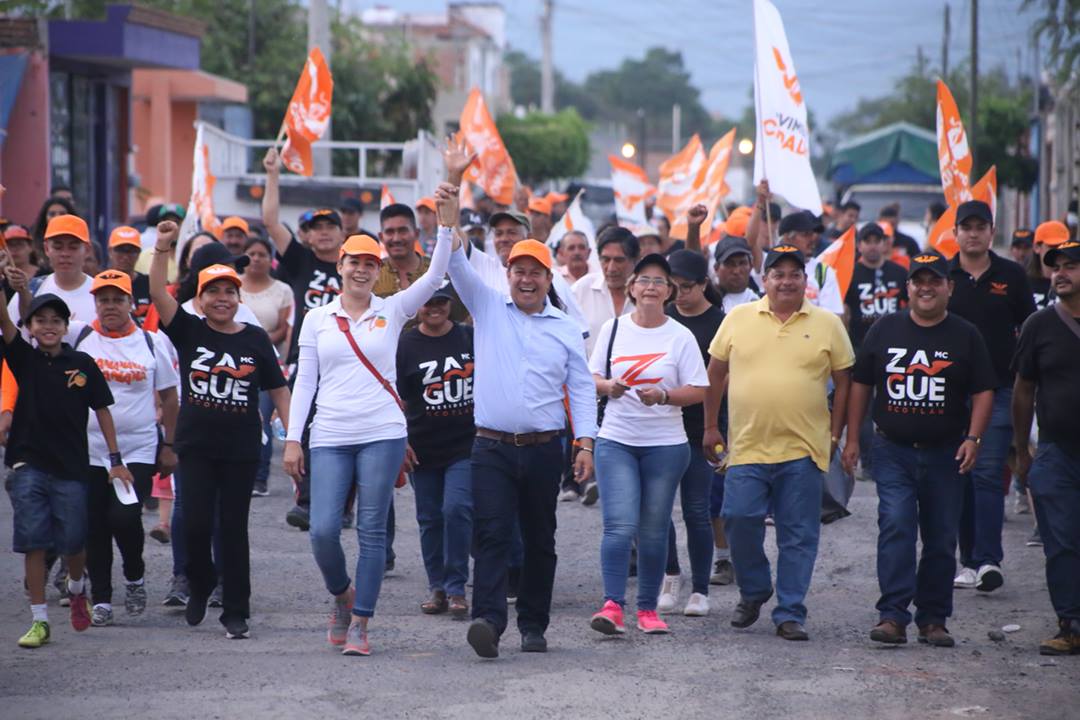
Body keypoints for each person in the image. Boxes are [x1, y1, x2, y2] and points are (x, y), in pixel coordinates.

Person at [284, 202, 451, 657]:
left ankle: (361, 622)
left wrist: (448, 223)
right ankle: (342, 596)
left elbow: (435, 277)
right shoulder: (318, 318)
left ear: (378, 270)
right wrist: (293, 438)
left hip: (383, 431)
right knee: (321, 530)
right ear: (340, 265)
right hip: (331, 434)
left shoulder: (393, 310)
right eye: (354, 261)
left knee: (372, 530)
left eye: (369, 263)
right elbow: (305, 382)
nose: (361, 269)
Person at [444, 189, 596, 659]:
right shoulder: (487, 307)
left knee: (539, 538)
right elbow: (451, 259)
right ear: (506, 274)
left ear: (549, 278)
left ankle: (534, 625)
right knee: (490, 534)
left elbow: (583, 388)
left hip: (545, 448)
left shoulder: (567, 328)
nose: (526, 279)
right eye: (518, 270)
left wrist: (585, 444)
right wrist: (450, 194)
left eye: (535, 272)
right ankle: (488, 621)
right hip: (490, 447)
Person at [702, 245, 854, 641]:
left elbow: (846, 383)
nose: (786, 281)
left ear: (805, 280)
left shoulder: (828, 324)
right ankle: (754, 590)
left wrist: (837, 435)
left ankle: (789, 612)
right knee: (738, 518)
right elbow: (715, 374)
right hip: (747, 446)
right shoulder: (738, 318)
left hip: (804, 450)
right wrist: (710, 428)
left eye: (794, 274)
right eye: (777, 274)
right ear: (764, 279)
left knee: (798, 534)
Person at [149, 220, 291, 640]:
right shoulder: (188, 330)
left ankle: (236, 610)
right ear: (200, 298)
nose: (223, 298)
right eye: (214, 291)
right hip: (195, 446)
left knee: (232, 528)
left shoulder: (254, 338)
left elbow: (279, 389)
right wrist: (162, 246)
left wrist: (293, 439)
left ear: (238, 296)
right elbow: (158, 291)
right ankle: (199, 581)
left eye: (230, 291)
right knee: (192, 523)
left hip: (240, 448)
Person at [843, 253, 994, 647]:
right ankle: (892, 616)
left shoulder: (966, 335)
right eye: (918, 281)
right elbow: (861, 384)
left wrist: (973, 438)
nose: (926, 287)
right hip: (893, 450)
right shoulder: (884, 329)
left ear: (949, 287)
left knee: (942, 536)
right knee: (896, 524)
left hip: (948, 453)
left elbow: (983, 391)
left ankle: (933, 619)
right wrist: (852, 439)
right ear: (907, 287)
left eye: (935, 281)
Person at [1, 290, 131, 648]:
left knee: (74, 540)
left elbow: (103, 409)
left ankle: (76, 589)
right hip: (28, 463)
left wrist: (116, 459)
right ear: (29, 326)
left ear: (65, 326)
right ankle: (39, 620)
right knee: (34, 542)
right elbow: (5, 320)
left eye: (56, 321)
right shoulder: (23, 359)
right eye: (40, 320)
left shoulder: (83, 365)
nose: (48, 326)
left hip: (72, 467)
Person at [588, 253, 707, 637]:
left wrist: (665, 396)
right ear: (632, 288)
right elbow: (590, 377)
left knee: (655, 530)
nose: (651, 287)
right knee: (620, 527)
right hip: (617, 440)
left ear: (669, 291)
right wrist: (609, 387)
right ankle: (612, 606)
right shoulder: (613, 329)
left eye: (660, 281)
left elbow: (698, 390)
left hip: (666, 446)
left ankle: (647, 610)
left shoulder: (680, 335)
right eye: (645, 280)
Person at [75, 270, 180, 627]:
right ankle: (101, 597)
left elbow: (169, 396)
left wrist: (169, 444)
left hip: (138, 449)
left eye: (117, 299)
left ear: (130, 303)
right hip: (87, 450)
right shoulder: (80, 338)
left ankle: (134, 575)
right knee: (95, 525)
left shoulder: (152, 343)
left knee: (123, 517)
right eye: (103, 299)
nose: (110, 306)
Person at [946, 201, 1036, 593]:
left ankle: (987, 560)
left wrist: (1025, 374)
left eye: (980, 227)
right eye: (966, 227)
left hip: (999, 389)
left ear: (991, 231)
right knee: (958, 476)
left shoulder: (1011, 276)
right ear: (956, 232)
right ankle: (966, 560)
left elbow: (1030, 327)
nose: (973, 233)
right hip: (949, 394)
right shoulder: (941, 275)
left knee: (987, 472)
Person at [262, 148, 343, 530]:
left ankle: (342, 501)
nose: (324, 232)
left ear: (343, 233)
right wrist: (273, 175)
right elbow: (270, 220)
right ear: (308, 235)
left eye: (331, 225)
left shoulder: (357, 265)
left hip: (348, 359)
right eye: (317, 227)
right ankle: (309, 500)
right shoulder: (300, 262)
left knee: (346, 430)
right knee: (305, 426)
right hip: (307, 357)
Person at [1012, 239, 1080, 656]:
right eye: (1056, 266)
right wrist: (1022, 450)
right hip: (1056, 451)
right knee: (1061, 541)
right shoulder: (1039, 324)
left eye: (1071, 266)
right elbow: (1023, 389)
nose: (1060, 273)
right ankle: (1069, 623)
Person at [396, 286, 475, 619]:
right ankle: (437, 587)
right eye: (427, 302)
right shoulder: (404, 344)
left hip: (466, 444)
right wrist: (400, 441)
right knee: (429, 518)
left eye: (440, 301)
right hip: (422, 445)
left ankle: (457, 587)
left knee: (456, 509)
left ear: (450, 304)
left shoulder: (470, 337)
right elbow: (393, 395)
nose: (434, 308)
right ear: (417, 306)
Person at [655, 250, 722, 618]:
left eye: (686, 287)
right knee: (660, 509)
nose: (678, 294)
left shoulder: (719, 323)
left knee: (697, 510)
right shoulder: (661, 320)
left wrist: (719, 427)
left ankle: (700, 589)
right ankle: (670, 575)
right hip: (662, 426)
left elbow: (724, 381)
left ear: (703, 286)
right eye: (672, 286)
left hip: (701, 430)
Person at [844, 222, 909, 479]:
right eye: (867, 240)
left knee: (892, 403)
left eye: (876, 240)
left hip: (894, 349)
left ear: (884, 244)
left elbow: (909, 303)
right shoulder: (851, 273)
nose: (872, 245)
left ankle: (892, 457)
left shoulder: (897, 271)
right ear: (859, 245)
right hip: (861, 347)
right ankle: (869, 462)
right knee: (864, 408)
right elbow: (845, 312)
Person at [240, 236, 294, 497]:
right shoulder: (232, 286)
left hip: (269, 362)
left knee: (262, 415)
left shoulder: (282, 290)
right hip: (237, 361)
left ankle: (259, 477)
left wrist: (258, 343)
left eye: (262, 253)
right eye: (251, 253)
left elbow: (284, 328)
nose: (257, 258)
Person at [9, 214, 94, 325]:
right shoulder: (30, 291)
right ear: (46, 248)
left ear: (87, 250)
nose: (65, 254)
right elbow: (9, 336)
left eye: (73, 247)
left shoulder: (101, 294)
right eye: (58, 247)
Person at [572, 227, 639, 356]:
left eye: (619, 260)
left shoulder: (648, 294)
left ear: (635, 260)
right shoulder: (581, 290)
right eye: (605, 260)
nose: (611, 268)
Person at [374, 204, 431, 296]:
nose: (396, 239)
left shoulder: (435, 271)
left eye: (403, 231)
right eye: (390, 232)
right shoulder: (372, 275)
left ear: (416, 234)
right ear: (381, 237)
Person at [106, 226, 153, 324]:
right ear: (110, 251)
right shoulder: (100, 282)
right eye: (120, 250)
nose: (125, 256)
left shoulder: (150, 284)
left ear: (139, 253)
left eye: (131, 251)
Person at [0, 225, 40, 302]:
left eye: (19, 244)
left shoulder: (45, 274)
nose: (15, 249)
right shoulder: (2, 278)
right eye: (10, 245)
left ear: (31, 246)